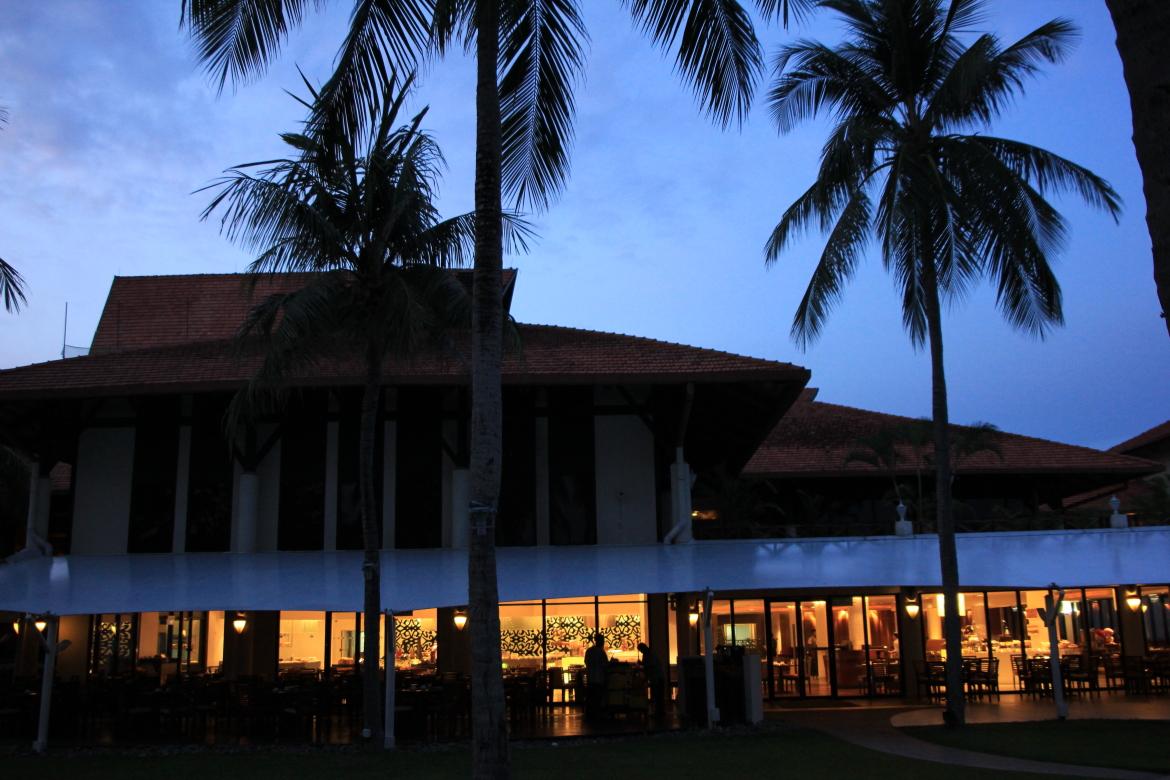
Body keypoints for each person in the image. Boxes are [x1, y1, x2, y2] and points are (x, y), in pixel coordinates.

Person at [638, 642, 667, 720]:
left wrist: (643, 665)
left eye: (640, 650)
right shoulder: (649, 654)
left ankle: (658, 713)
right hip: (657, 678)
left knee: (657, 696)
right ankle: (659, 712)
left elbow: (650, 666)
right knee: (658, 696)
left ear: (642, 648)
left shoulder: (649, 655)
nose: (640, 652)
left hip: (657, 678)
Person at [584, 633, 608, 721]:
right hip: (599, 678)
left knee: (591, 696)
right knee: (598, 697)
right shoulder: (601, 652)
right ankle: (598, 713)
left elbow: (586, 661)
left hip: (591, 677)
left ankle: (590, 713)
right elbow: (605, 664)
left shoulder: (589, 651)